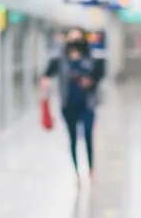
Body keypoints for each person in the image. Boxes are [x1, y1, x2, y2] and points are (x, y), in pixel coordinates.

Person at [42, 28, 104, 181]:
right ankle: (76, 171)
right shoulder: (60, 60)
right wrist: (45, 85)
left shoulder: (91, 60)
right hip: (68, 104)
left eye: (78, 38)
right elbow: (46, 75)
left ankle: (90, 169)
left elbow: (99, 76)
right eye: (72, 38)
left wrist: (89, 81)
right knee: (73, 138)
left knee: (88, 135)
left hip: (87, 104)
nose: (75, 42)